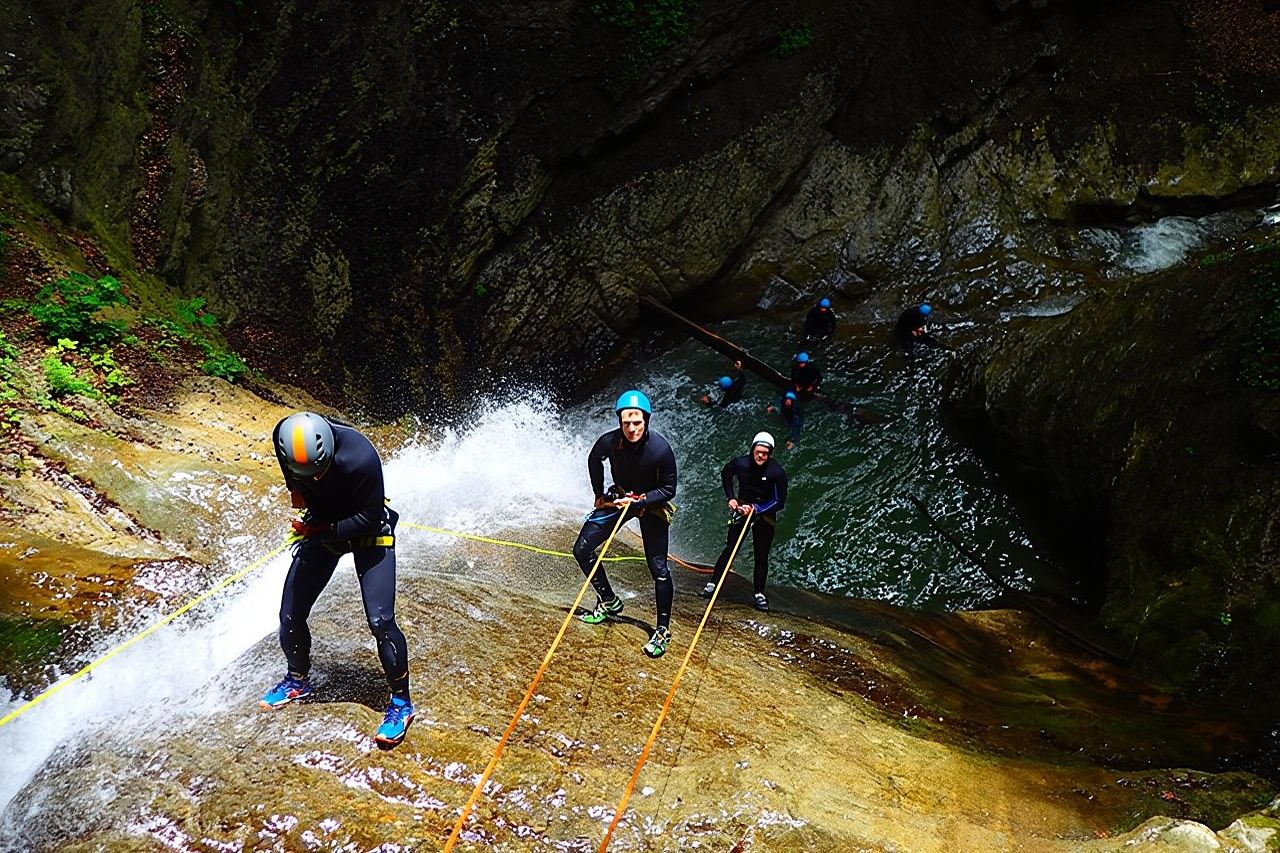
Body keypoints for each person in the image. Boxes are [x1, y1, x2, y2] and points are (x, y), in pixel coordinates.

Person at [261, 411, 414, 747]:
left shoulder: (361, 456)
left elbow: (369, 519)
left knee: (380, 621)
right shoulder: (283, 437)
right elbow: (297, 488)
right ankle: (297, 679)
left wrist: (318, 531)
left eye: (320, 471)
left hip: (368, 530)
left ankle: (401, 703)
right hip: (323, 527)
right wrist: (305, 508)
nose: (315, 479)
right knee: (290, 614)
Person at [573, 390, 679, 658]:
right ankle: (609, 600)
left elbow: (669, 489)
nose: (632, 429)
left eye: (637, 423)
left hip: (651, 506)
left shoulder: (660, 449)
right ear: (620, 422)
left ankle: (662, 630)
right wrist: (599, 494)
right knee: (582, 549)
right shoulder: (610, 442)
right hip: (620, 499)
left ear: (646, 420)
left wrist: (641, 501)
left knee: (659, 569)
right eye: (626, 423)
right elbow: (594, 459)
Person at [701, 431, 788, 612]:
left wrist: (757, 509)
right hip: (742, 509)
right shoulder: (740, 464)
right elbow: (726, 474)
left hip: (765, 515)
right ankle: (713, 583)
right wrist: (731, 498)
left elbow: (779, 501)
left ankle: (759, 594)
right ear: (752, 450)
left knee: (761, 555)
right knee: (731, 548)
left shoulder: (776, 473)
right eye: (758, 452)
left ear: (770, 454)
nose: (761, 456)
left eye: (765, 453)